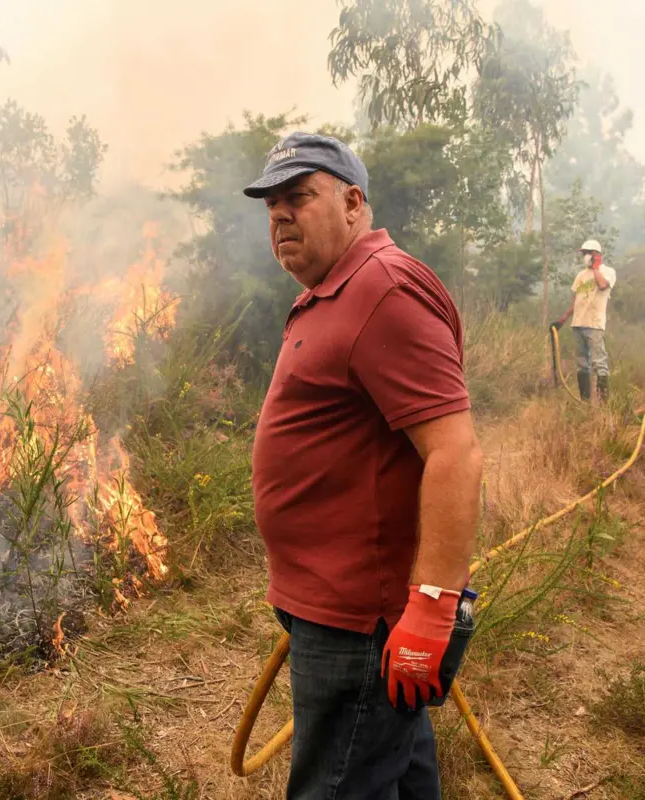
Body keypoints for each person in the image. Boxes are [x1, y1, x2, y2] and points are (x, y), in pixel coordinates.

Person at [243, 132, 484, 798]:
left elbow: (455, 453)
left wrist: (431, 611)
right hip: (331, 610)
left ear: (353, 203)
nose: (280, 215)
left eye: (299, 197)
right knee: (397, 774)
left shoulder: (383, 290)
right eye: (271, 205)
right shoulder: (332, 289)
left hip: (358, 626)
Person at [551, 239, 617, 403]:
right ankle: (585, 402)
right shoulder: (580, 275)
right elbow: (576, 300)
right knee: (582, 364)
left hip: (594, 324)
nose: (585, 256)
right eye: (584, 253)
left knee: (599, 363)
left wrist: (595, 268)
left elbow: (602, 285)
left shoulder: (608, 272)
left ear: (596, 255)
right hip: (578, 324)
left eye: (588, 253)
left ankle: (603, 405)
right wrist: (563, 319)